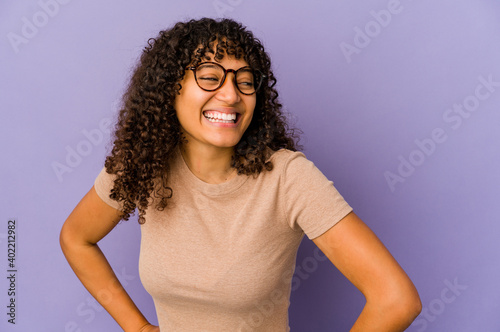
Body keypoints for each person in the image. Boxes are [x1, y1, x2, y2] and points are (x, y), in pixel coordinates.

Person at [59, 17, 421, 332]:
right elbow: (76, 237)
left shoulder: (288, 178)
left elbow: (396, 300)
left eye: (245, 81)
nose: (231, 95)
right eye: (210, 77)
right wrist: (136, 326)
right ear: (172, 88)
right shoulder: (142, 164)